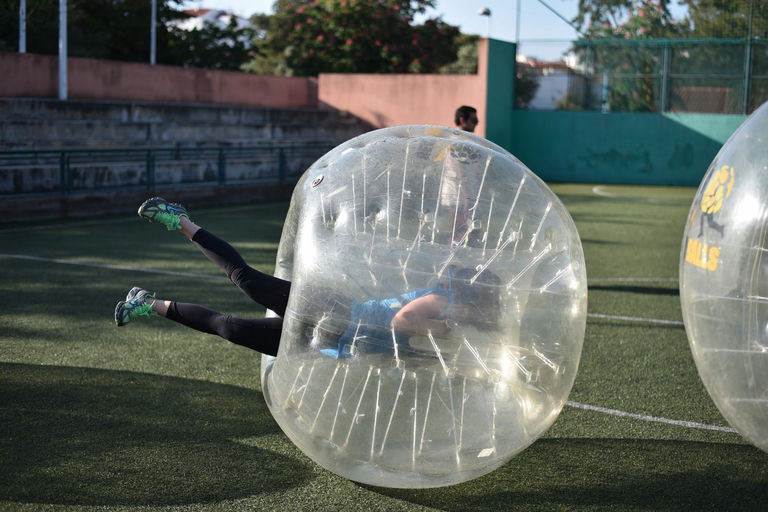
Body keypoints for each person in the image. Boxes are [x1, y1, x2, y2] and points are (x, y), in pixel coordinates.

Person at [115, 198, 501, 358]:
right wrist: (446, 333)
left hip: (335, 341)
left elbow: (401, 349)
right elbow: (403, 320)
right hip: (334, 310)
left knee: (230, 329)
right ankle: (179, 219)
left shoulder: (453, 318)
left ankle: (147, 304)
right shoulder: (444, 300)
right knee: (246, 280)